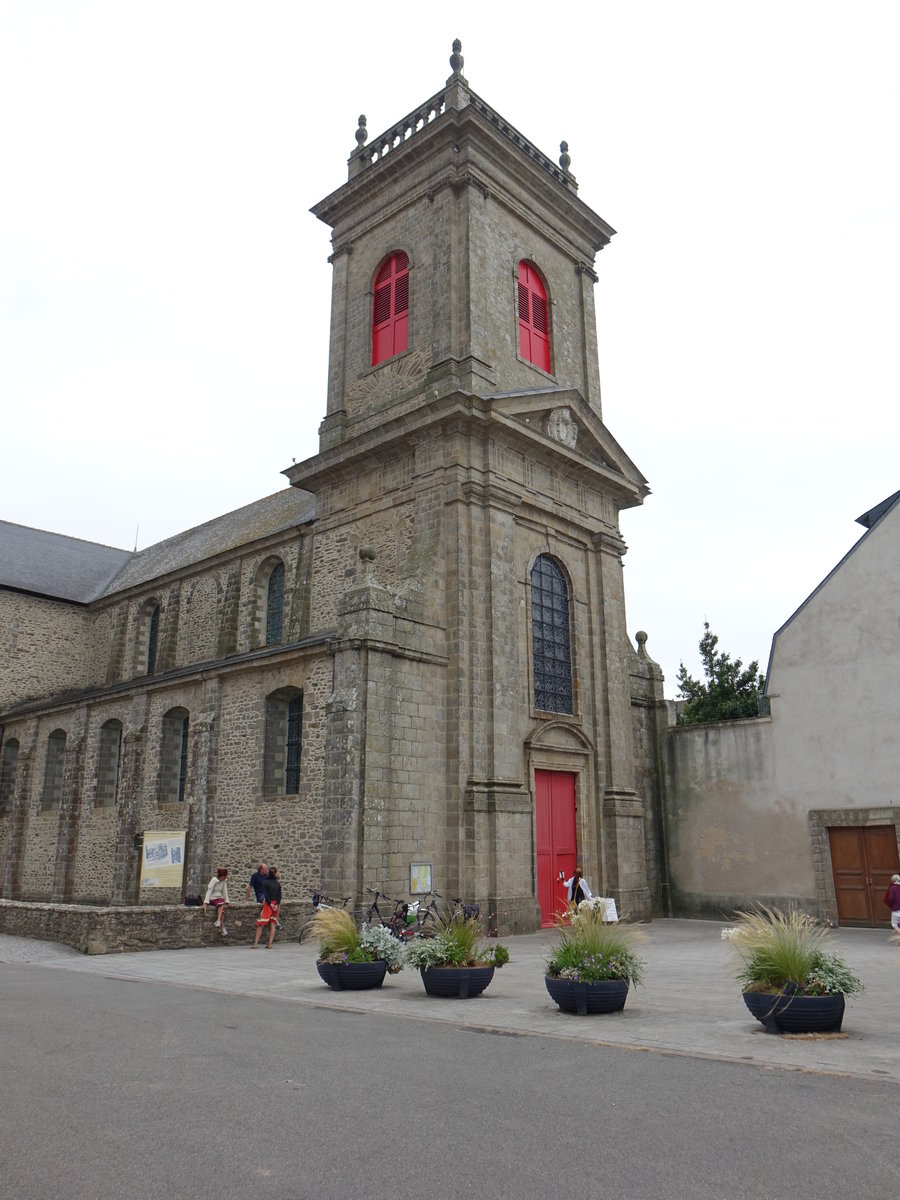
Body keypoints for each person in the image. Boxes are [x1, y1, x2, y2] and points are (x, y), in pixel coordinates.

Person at [253, 866, 281, 948]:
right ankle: (269, 944)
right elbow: (279, 896)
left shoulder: (265, 883)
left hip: (268, 905)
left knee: (261, 924)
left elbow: (266, 895)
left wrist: (270, 904)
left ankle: (255, 944)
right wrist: (276, 905)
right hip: (276, 905)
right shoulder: (277, 883)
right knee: (272, 924)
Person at [203, 867, 230, 935]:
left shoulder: (224, 881)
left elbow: (224, 891)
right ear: (223, 875)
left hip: (219, 898)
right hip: (212, 898)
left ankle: (219, 922)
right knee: (221, 904)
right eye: (226, 875)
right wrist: (205, 903)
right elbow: (209, 891)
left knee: (221, 905)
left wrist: (227, 901)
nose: (227, 876)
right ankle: (221, 925)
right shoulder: (214, 880)